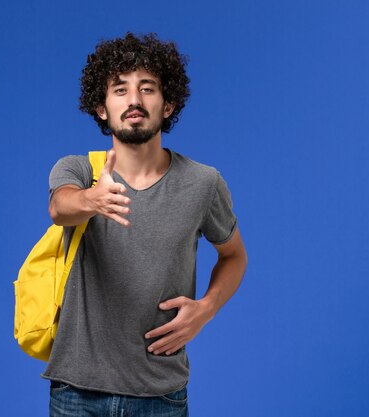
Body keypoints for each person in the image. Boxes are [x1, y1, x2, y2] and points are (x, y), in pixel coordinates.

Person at [44, 32, 247, 416]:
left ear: (168, 104)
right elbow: (60, 207)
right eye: (119, 90)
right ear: (101, 108)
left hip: (161, 395)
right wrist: (92, 199)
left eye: (147, 89)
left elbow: (234, 256)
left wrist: (206, 309)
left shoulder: (204, 183)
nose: (134, 100)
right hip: (76, 392)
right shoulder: (79, 170)